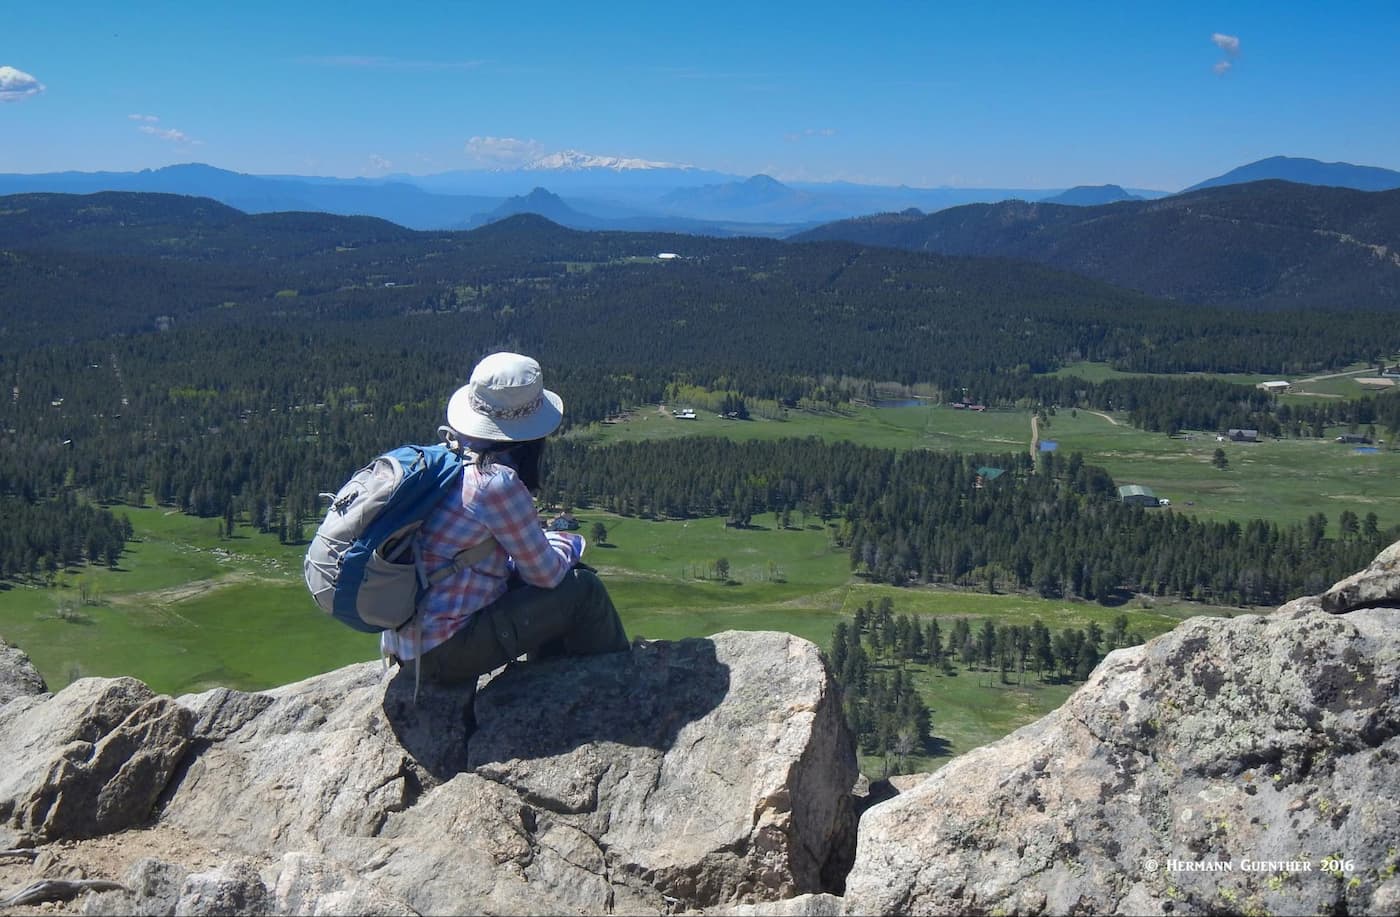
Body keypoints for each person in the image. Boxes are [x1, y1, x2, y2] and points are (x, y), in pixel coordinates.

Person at [381, 352, 629, 688]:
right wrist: (568, 543)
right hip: (446, 651)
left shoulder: (443, 461)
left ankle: (552, 680)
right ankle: (617, 686)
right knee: (583, 589)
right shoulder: (495, 482)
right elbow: (544, 575)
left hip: (409, 642)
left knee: (535, 582)